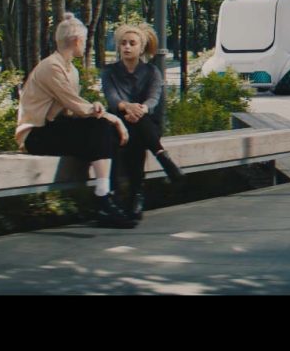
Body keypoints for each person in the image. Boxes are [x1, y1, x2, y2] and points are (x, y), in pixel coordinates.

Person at [16, 12, 135, 229]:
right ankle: (104, 200)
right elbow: (75, 104)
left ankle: (110, 197)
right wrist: (114, 119)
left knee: (105, 129)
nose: (86, 45)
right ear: (77, 41)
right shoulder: (51, 66)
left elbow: (73, 110)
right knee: (104, 125)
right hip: (34, 135)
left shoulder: (71, 70)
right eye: (85, 40)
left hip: (53, 128)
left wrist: (99, 113)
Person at [100, 23, 184, 222]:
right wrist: (128, 108)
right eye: (123, 43)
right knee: (129, 134)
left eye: (132, 43)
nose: (127, 47)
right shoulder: (109, 71)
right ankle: (161, 160)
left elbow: (153, 99)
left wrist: (140, 110)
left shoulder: (152, 72)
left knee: (139, 128)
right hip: (118, 122)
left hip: (145, 122)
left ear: (141, 48)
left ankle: (128, 198)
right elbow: (112, 99)